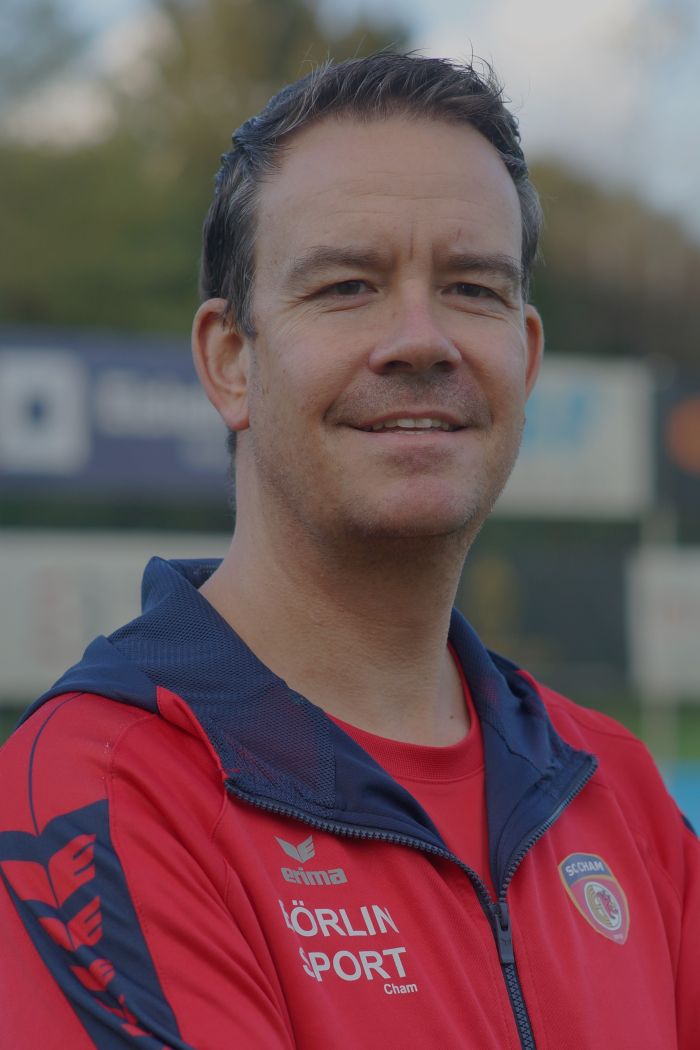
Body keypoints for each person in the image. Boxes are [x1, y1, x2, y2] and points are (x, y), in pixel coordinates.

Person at [0, 52, 696, 1050]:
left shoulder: (614, 790)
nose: (421, 339)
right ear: (229, 361)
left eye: (472, 288)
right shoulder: (99, 792)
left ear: (527, 358)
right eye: (347, 286)